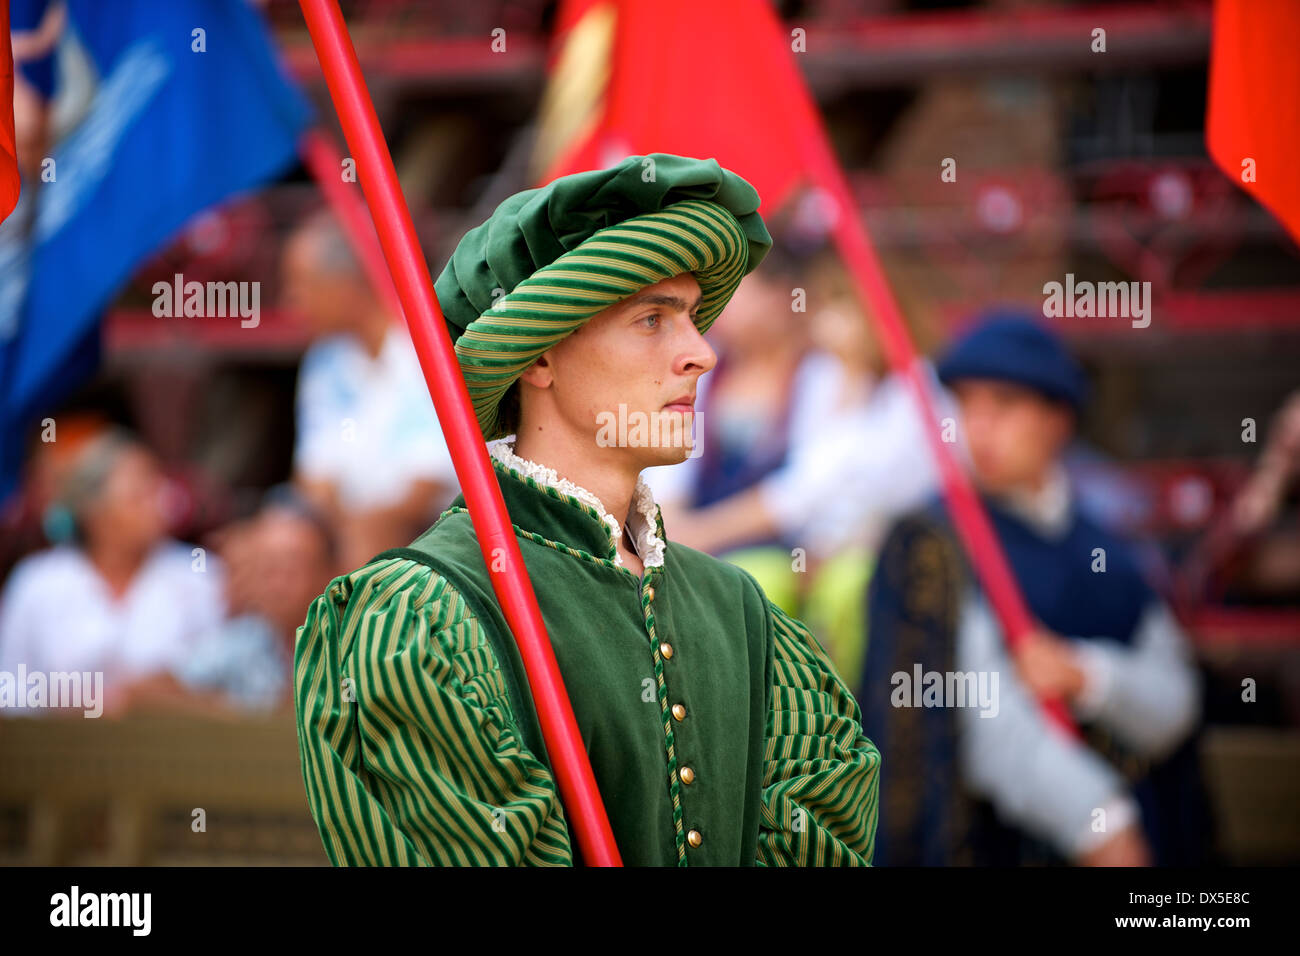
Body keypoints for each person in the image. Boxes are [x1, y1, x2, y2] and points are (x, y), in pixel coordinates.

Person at [294, 153, 882, 866]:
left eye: (693, 317)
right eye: (652, 320)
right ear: (538, 358)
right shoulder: (423, 616)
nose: (701, 354)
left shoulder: (744, 614)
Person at [858, 313, 1210, 866]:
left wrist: (1086, 676)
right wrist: (1100, 821)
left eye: (1003, 405)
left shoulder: (1106, 547)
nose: (979, 427)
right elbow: (986, 727)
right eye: (967, 405)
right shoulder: (929, 547)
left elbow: (1173, 703)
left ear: (1058, 419)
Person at [0, 427, 227, 716]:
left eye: (158, 489)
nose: (159, 504)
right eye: (138, 495)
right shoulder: (37, 581)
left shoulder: (200, 574)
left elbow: (229, 683)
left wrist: (160, 694)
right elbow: (7, 688)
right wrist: (68, 701)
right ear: (94, 511)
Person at [281, 210, 458, 571]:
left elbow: (429, 481)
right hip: (348, 528)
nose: (291, 302)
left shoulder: (427, 345)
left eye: (301, 284)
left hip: (441, 521)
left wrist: (363, 522)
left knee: (369, 535)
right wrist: (342, 521)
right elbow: (312, 477)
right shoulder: (323, 362)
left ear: (347, 285)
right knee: (278, 541)